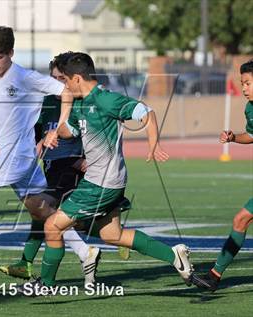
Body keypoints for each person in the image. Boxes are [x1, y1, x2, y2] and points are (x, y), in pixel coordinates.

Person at [19, 52, 194, 293]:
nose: (64, 88)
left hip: (102, 182)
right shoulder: (79, 103)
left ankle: (46, 284)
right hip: (105, 181)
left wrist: (153, 143)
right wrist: (55, 132)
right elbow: (70, 131)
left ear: (77, 78)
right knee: (112, 235)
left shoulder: (106, 100)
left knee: (52, 225)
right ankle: (175, 256)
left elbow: (146, 112)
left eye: (66, 82)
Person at [0, 28, 97, 282]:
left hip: (16, 158)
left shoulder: (25, 77)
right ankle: (86, 251)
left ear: (11, 53)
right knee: (41, 209)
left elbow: (66, 93)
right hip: (20, 159)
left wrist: (60, 126)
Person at [0, 52, 101, 282]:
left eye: (60, 78)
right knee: (44, 213)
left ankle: (83, 254)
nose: (56, 83)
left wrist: (83, 160)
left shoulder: (79, 103)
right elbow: (36, 132)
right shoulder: (46, 102)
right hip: (50, 167)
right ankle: (27, 263)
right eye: (53, 77)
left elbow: (92, 136)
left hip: (72, 169)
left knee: (47, 213)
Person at [192, 59, 253, 292]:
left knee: (241, 219)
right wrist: (234, 138)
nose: (244, 88)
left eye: (247, 83)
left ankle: (214, 275)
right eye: (242, 83)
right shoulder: (250, 108)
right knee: (241, 220)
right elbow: (251, 134)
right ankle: (214, 275)